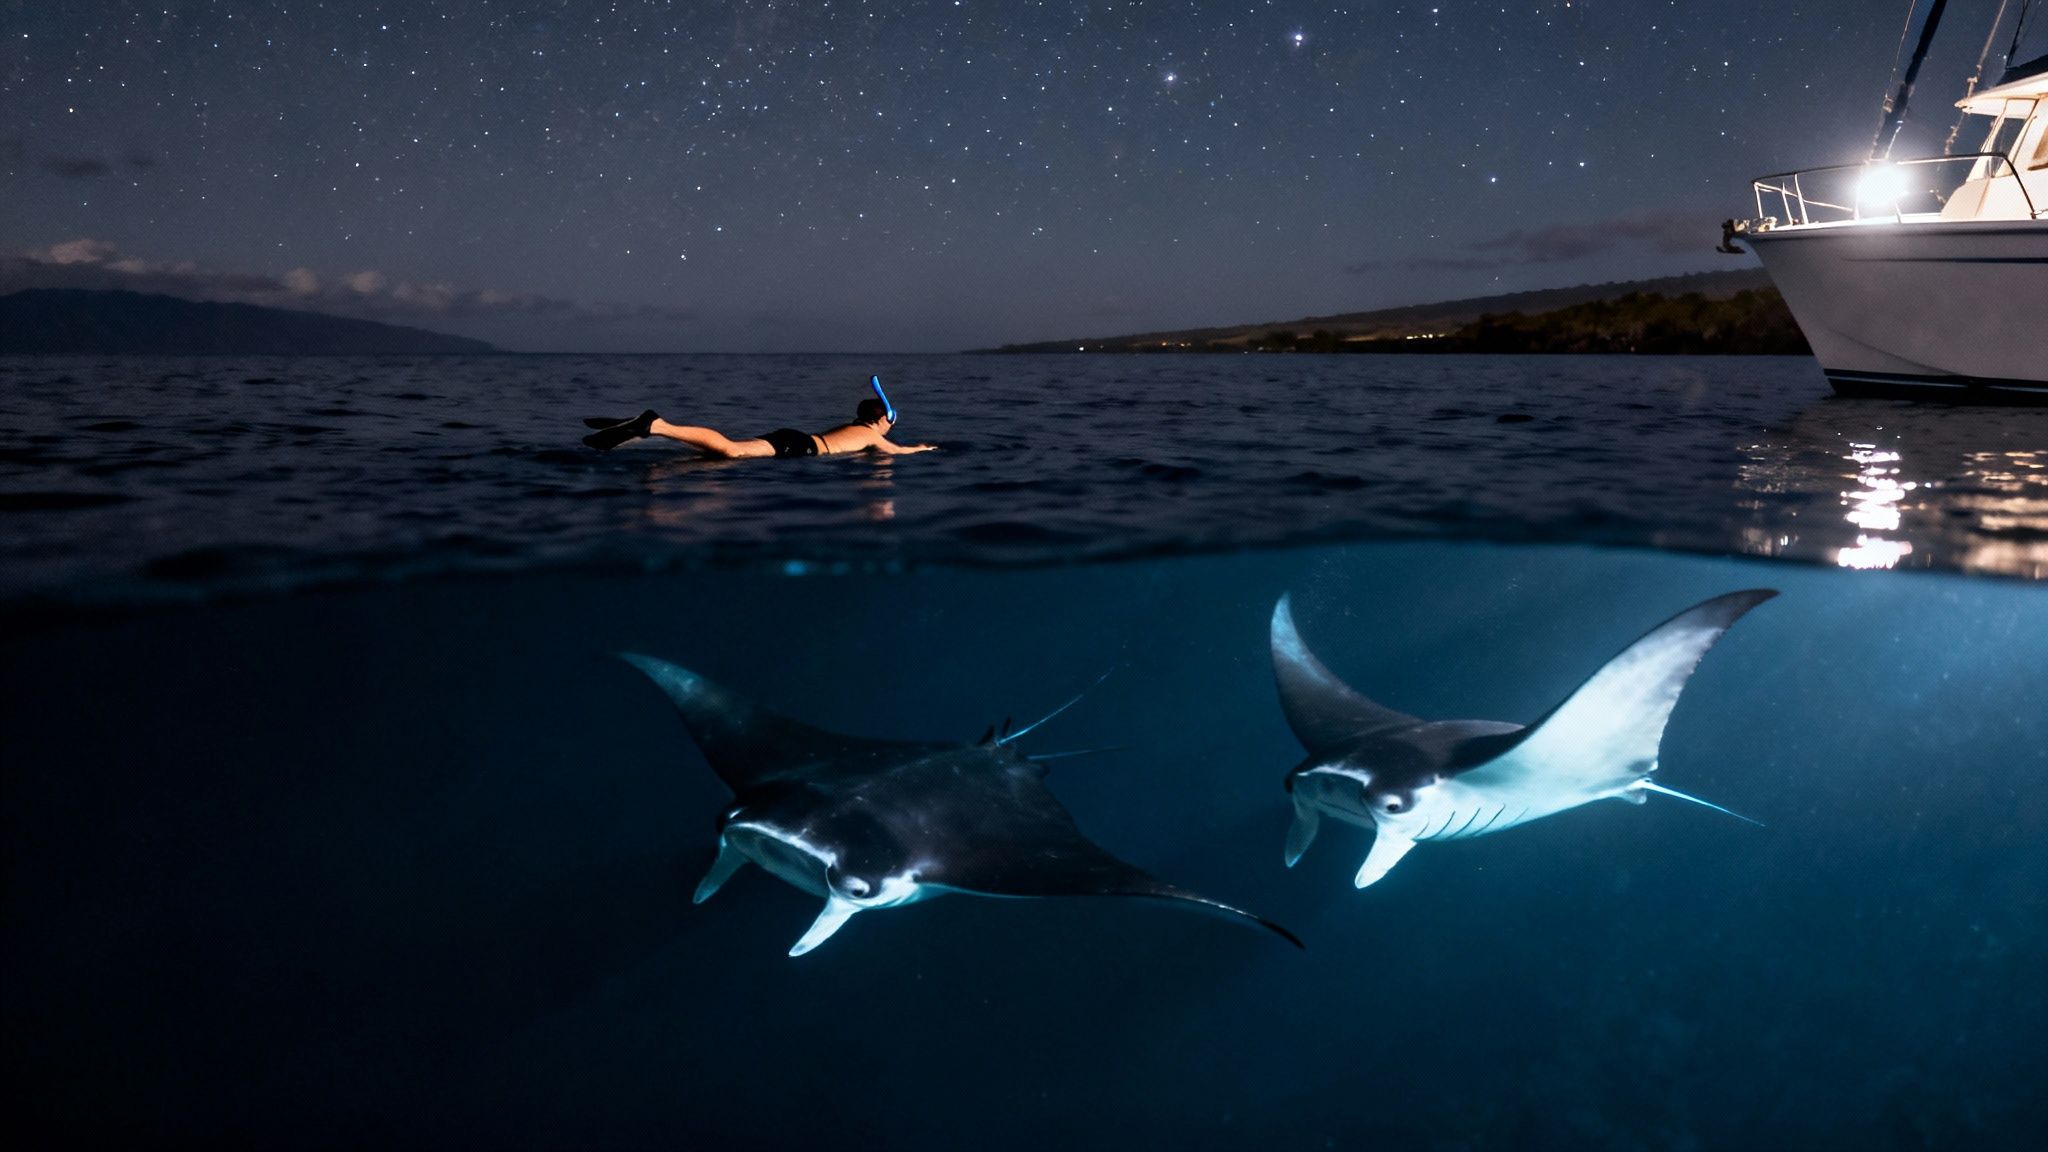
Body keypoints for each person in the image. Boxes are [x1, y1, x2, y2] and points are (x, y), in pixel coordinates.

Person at [581, 381, 936, 458]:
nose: (891, 425)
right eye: (891, 420)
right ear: (881, 420)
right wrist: (921, 448)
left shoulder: (857, 428)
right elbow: (896, 452)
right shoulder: (873, 436)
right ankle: (656, 425)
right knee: (730, 451)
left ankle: (640, 430)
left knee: (716, 453)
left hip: (795, 437)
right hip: (800, 447)